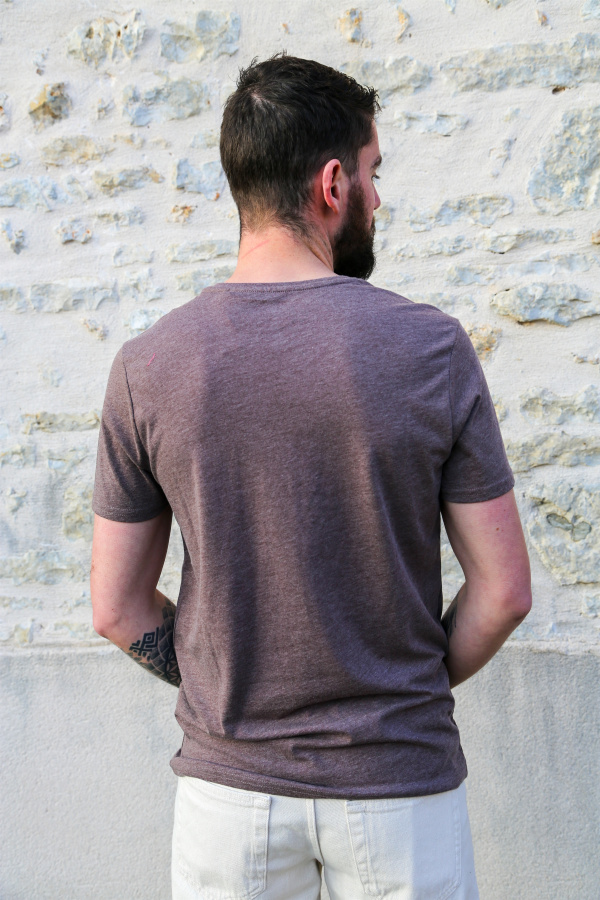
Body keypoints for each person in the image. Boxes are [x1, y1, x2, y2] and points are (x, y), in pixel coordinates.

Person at [90, 53, 532, 900]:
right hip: (400, 788)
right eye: (374, 172)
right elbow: (505, 591)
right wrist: (400, 691)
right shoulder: (430, 349)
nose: (378, 198)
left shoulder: (148, 367)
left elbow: (116, 607)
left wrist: (226, 685)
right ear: (333, 184)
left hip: (228, 798)